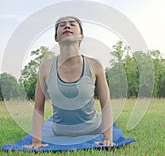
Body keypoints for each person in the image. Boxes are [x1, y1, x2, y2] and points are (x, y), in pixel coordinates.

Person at [26, 16, 115, 149]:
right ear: (56, 37)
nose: (67, 26)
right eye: (62, 25)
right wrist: (36, 141)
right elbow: (38, 107)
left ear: (81, 36)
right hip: (60, 131)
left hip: (93, 129)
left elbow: (106, 105)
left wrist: (108, 138)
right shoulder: (45, 67)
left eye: (72, 24)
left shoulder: (95, 65)